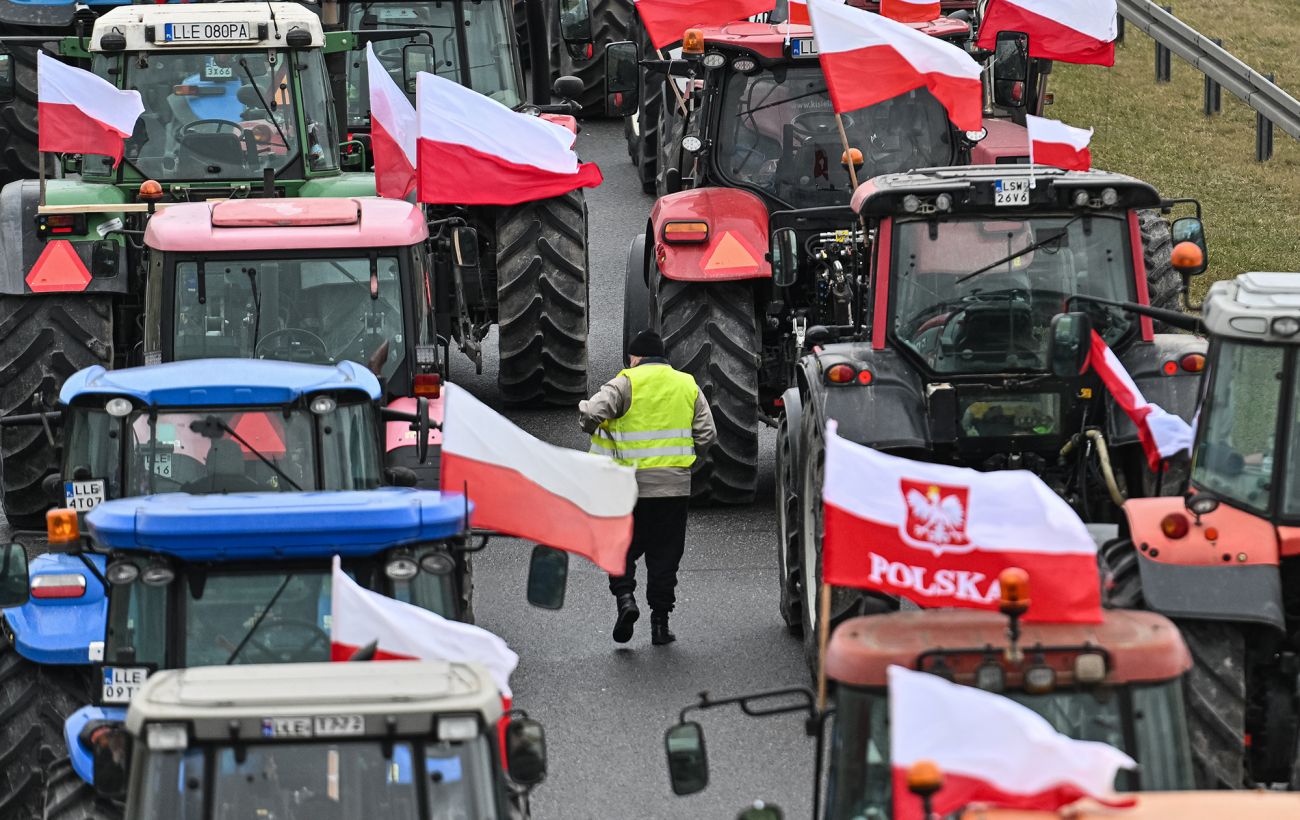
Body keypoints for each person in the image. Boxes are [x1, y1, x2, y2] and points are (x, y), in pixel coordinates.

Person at [580, 331, 715, 646]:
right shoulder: (687, 384)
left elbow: (590, 412)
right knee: (665, 555)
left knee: (622, 547)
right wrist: (686, 464)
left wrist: (590, 427)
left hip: (630, 489)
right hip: (674, 489)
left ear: (635, 358)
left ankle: (626, 598)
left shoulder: (626, 382)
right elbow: (707, 434)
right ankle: (660, 624)